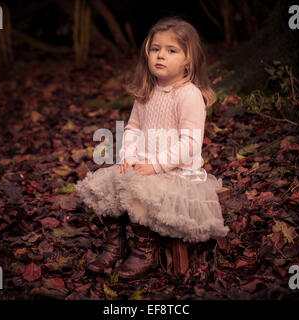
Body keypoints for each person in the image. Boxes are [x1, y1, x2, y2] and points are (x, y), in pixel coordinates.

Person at [76, 17, 229, 280]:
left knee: (138, 189)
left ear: (188, 60)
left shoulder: (188, 94)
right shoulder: (147, 91)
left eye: (172, 51)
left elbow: (191, 143)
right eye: (155, 48)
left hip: (176, 172)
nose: (161, 55)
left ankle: (144, 251)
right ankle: (115, 246)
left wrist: (157, 165)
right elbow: (133, 128)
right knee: (109, 182)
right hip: (144, 165)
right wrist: (129, 155)